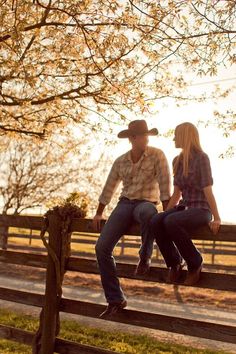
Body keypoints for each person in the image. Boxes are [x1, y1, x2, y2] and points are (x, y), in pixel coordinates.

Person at [93, 119, 171, 317]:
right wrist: (99, 212)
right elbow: (109, 186)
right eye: (143, 135)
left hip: (147, 203)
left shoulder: (157, 155)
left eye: (147, 135)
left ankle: (144, 257)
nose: (146, 139)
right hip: (125, 204)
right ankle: (115, 300)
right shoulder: (121, 161)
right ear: (133, 138)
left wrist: (168, 212)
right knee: (101, 247)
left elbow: (164, 185)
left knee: (148, 213)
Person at [149, 122, 221, 286]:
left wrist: (216, 217)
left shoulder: (202, 158)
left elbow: (207, 189)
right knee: (156, 220)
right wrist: (163, 214)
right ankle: (174, 262)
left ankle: (195, 263)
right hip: (183, 207)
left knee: (171, 221)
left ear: (185, 136)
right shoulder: (177, 160)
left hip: (201, 209)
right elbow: (176, 193)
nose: (173, 138)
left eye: (176, 134)